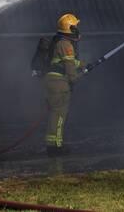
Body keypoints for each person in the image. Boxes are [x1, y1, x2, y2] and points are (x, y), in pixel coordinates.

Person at [45, 13, 84, 156]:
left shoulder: (59, 42)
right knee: (60, 115)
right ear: (70, 28)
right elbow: (70, 70)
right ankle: (56, 147)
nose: (78, 29)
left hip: (52, 81)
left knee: (54, 114)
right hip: (59, 83)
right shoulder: (66, 44)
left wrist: (83, 64)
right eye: (76, 26)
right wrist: (79, 75)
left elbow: (66, 61)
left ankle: (52, 145)